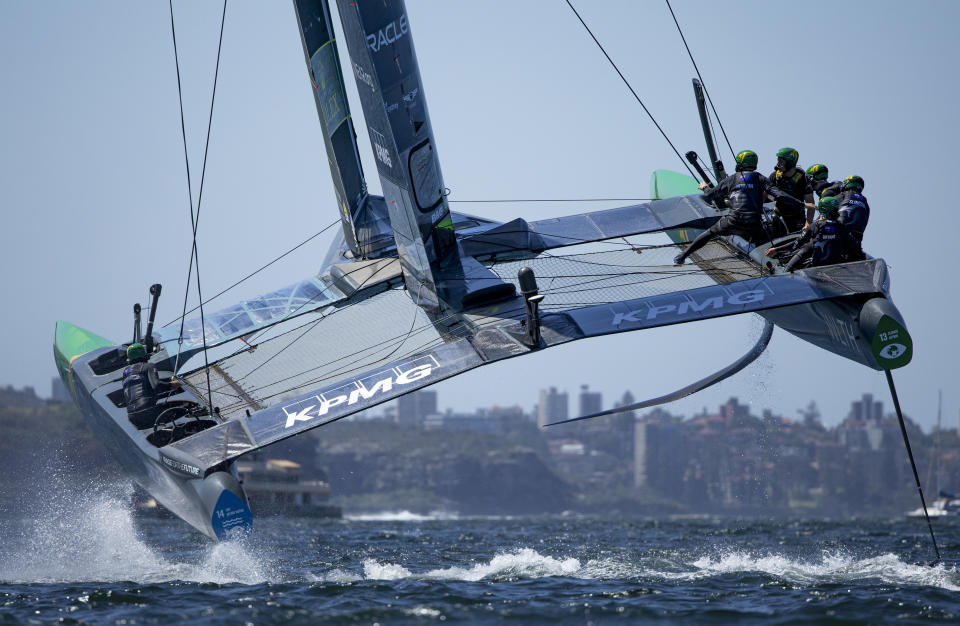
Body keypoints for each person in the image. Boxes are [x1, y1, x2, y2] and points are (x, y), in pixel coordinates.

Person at [673, 150, 811, 265]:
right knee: (768, 245)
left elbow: (711, 195)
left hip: (733, 221)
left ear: (739, 163)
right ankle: (781, 264)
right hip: (753, 225)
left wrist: (704, 187)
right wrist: (802, 204)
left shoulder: (732, 178)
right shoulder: (760, 178)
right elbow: (779, 195)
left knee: (709, 233)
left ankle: (682, 256)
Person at [765, 196, 855, 271]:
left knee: (789, 268)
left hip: (816, 268)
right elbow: (854, 248)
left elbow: (796, 244)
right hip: (837, 268)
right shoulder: (842, 227)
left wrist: (776, 250)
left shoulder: (815, 226)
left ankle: (786, 272)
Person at [122, 342, 181, 429]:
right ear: (144, 354)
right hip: (148, 411)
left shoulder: (126, 372)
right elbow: (156, 386)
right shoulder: (149, 366)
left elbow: (142, 383)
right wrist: (172, 385)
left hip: (133, 417)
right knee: (179, 412)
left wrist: (168, 381)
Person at [769, 147, 815, 231]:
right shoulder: (774, 176)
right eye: (778, 161)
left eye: (781, 162)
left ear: (790, 163)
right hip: (778, 217)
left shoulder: (802, 178)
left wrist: (808, 224)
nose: (778, 164)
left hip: (797, 217)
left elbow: (810, 204)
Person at [836, 175, 870, 260]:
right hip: (856, 244)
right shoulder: (865, 203)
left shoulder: (842, 196)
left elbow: (826, 210)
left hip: (837, 240)